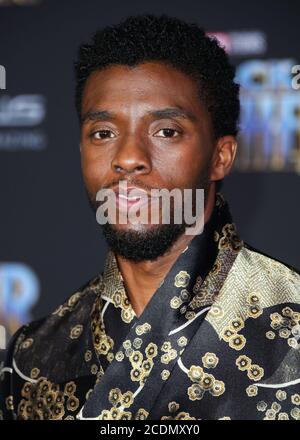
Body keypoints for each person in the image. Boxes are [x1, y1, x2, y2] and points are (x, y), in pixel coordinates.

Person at [1, 14, 299, 421]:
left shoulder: (293, 325)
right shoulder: (31, 359)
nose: (127, 158)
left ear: (220, 156)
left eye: (166, 131)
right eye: (103, 133)